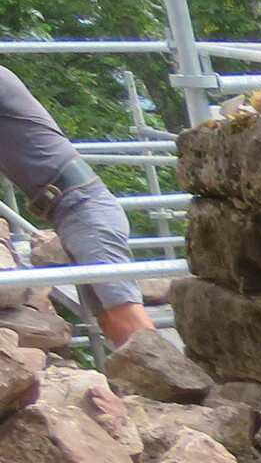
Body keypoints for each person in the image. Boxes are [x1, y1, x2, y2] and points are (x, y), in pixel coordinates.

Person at [0, 68, 150, 349]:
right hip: (71, 209)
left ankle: (174, 378)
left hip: (82, 205)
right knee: (111, 321)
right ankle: (149, 377)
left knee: (127, 318)